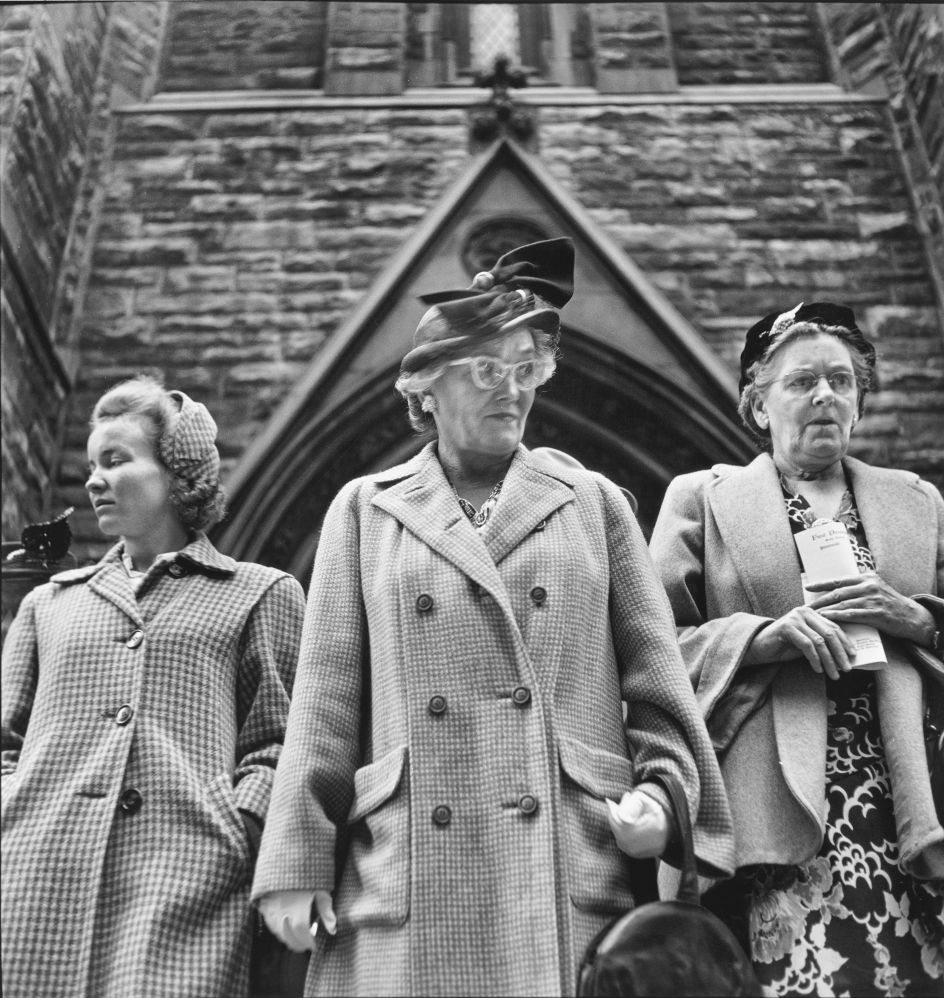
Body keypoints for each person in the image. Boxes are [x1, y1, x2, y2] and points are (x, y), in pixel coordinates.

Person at [249, 237, 734, 997]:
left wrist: (668, 799)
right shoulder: (365, 510)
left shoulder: (596, 504)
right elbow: (325, 702)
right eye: (484, 370)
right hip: (409, 864)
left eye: (525, 369)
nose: (510, 390)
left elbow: (659, 685)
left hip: (568, 857)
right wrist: (295, 862)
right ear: (425, 390)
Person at [649, 301, 944, 996]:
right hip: (771, 811)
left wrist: (914, 619)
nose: (826, 396)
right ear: (758, 405)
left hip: (908, 802)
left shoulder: (919, 503)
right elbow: (652, 650)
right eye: (802, 382)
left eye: (842, 382)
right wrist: (761, 635)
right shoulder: (701, 501)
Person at [1, 376, 306, 998]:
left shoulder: (262, 595)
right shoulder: (48, 605)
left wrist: (234, 830)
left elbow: (282, 746)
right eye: (90, 464)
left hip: (187, 887)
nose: (92, 480)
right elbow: (6, 742)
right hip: (29, 883)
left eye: (115, 460)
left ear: (175, 473)